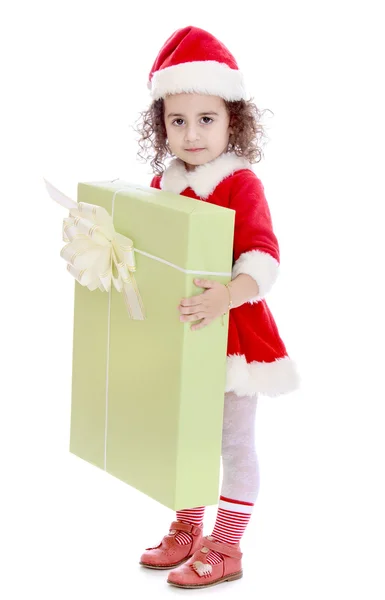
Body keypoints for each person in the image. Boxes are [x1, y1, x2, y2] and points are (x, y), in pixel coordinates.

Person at [135, 25, 300, 589]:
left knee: (233, 439)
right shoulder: (165, 182)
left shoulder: (239, 183)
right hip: (186, 332)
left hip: (232, 334)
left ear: (233, 120)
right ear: (162, 126)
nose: (192, 133)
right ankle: (188, 526)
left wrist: (228, 294)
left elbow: (264, 257)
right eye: (178, 121)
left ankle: (226, 544)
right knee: (185, 435)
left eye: (207, 119)